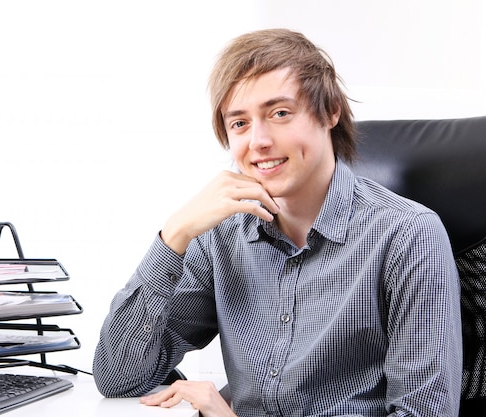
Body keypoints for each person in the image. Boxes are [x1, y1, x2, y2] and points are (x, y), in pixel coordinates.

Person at [92, 28, 463, 416]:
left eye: (280, 113)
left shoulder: (407, 235)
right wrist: (175, 234)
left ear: (330, 112)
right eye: (239, 124)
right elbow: (120, 376)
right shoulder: (219, 236)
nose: (259, 141)